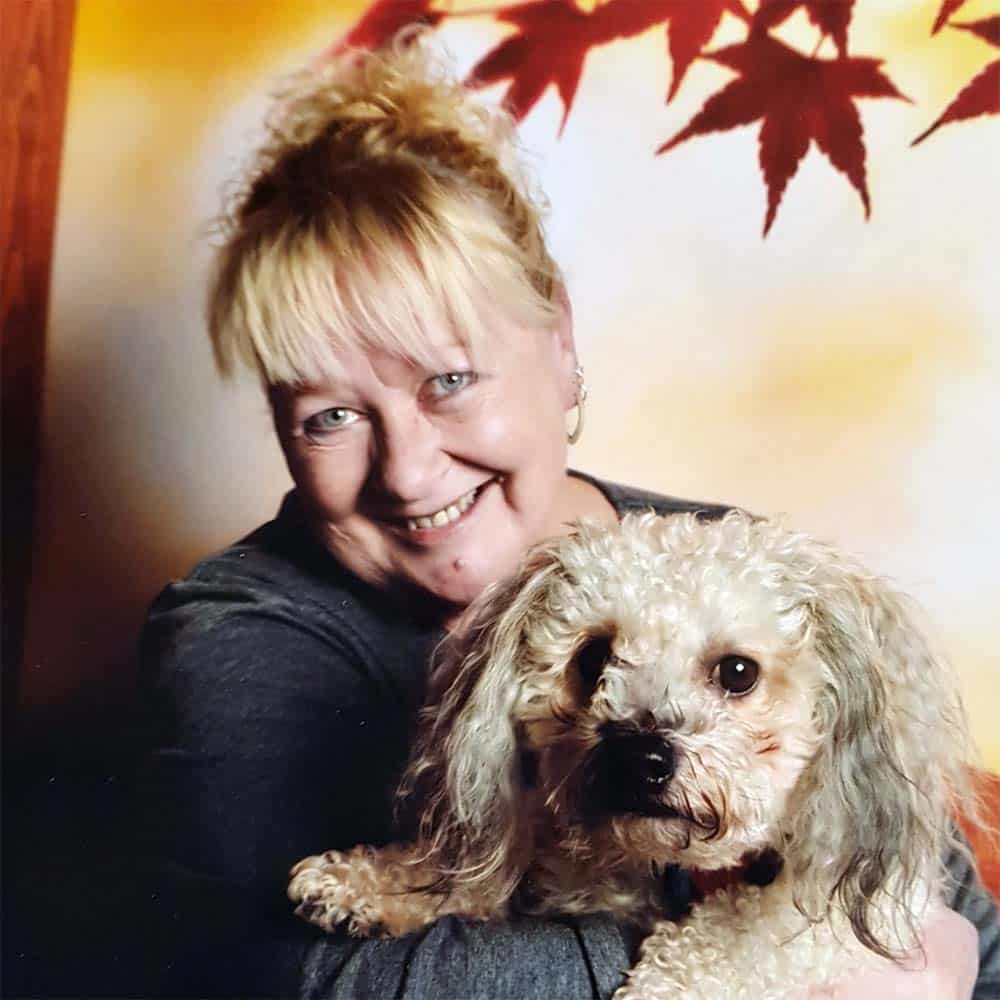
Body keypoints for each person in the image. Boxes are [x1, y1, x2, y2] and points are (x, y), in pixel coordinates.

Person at [137, 37, 999, 998]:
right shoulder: (238, 630)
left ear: (559, 336)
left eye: (449, 379)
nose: (409, 473)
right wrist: (788, 955)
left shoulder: (736, 563)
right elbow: (299, 982)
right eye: (330, 416)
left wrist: (928, 948)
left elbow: (965, 935)